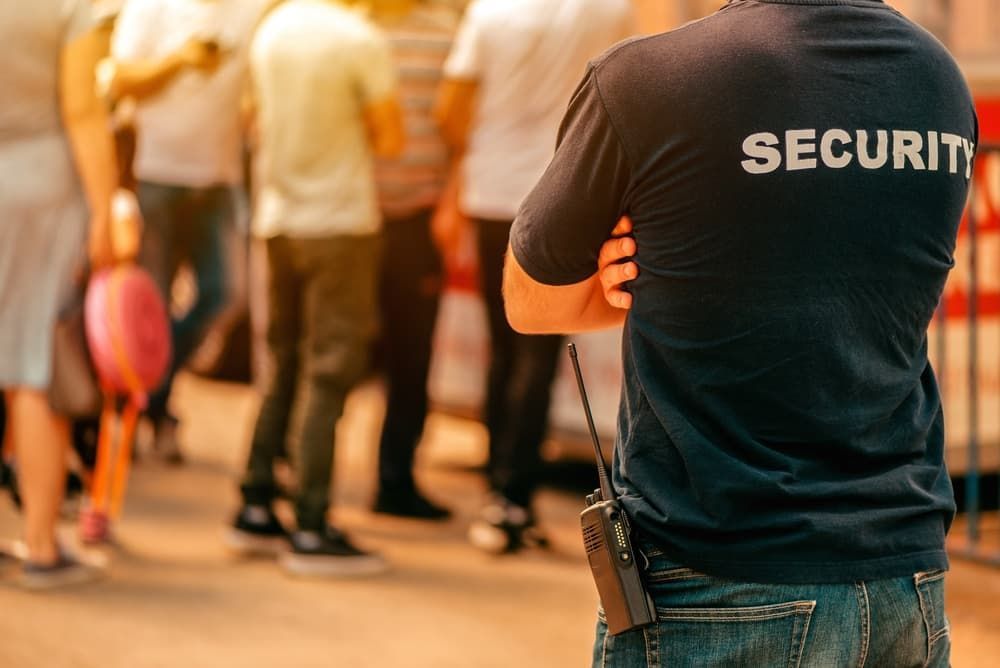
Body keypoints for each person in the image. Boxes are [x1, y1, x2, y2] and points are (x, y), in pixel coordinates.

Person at [502, 1, 978, 666]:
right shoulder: (938, 78)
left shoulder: (646, 79)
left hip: (717, 578)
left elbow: (529, 300)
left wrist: (633, 282)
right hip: (905, 577)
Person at [434, 0, 635, 553]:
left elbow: (452, 108)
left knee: (503, 343)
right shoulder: (606, 10)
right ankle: (512, 495)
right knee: (541, 349)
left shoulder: (488, 14)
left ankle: (496, 483)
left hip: (489, 189)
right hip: (562, 194)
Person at [226, 0, 404, 577]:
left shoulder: (271, 28)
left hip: (278, 219)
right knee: (329, 369)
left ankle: (255, 502)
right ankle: (310, 523)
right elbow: (392, 137)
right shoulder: (359, 38)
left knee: (281, 360)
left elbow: (248, 119)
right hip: (341, 223)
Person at [108, 0, 273, 462]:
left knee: (225, 294)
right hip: (155, 177)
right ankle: (149, 406)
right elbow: (119, 79)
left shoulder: (253, 10)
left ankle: (149, 392)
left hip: (218, 182)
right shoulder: (151, 7)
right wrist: (180, 60)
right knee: (150, 307)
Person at [0, 0, 120, 588]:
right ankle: (42, 545)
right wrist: (108, 206)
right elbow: (82, 105)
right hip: (41, 188)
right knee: (32, 362)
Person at [369, 0, 459, 521]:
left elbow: (460, 126)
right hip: (354, 217)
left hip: (419, 221)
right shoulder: (354, 28)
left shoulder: (448, 32)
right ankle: (307, 477)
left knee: (410, 358)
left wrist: (450, 198)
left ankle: (394, 479)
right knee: (340, 355)